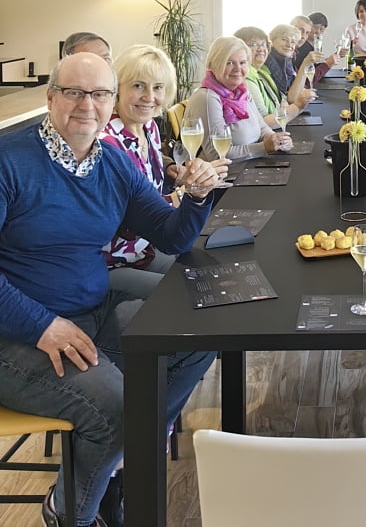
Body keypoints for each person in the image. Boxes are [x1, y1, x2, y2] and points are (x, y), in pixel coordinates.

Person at [0, 52, 218, 527]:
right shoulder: (8, 160)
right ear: (50, 97)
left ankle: (119, 458)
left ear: (110, 100)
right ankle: (71, 513)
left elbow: (171, 236)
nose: (87, 105)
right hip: (17, 335)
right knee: (119, 409)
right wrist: (42, 325)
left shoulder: (112, 163)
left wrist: (197, 196)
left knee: (198, 333)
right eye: (74, 93)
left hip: (90, 312)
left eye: (99, 94)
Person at [101, 44, 229, 299]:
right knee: (190, 294)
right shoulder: (108, 143)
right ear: (118, 88)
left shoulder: (149, 128)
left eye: (158, 87)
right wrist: (185, 193)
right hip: (112, 260)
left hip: (145, 249)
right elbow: (126, 220)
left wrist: (184, 178)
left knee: (214, 274)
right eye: (138, 86)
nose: (149, 96)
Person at [185, 37, 292, 163]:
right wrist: (263, 147)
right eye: (229, 63)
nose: (237, 69)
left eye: (242, 63)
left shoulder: (241, 92)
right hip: (224, 173)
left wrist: (277, 140)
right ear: (213, 65)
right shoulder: (207, 97)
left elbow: (262, 127)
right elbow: (217, 155)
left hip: (249, 166)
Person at [233, 26, 313, 126]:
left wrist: (285, 106)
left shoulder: (262, 71)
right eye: (254, 44)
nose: (261, 49)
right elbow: (263, 122)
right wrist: (297, 107)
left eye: (264, 44)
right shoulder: (246, 80)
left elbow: (281, 98)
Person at [264, 23, 320, 100]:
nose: (289, 45)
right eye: (284, 39)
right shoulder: (269, 61)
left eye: (293, 42)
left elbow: (294, 86)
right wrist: (305, 64)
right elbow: (291, 99)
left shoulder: (287, 59)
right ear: (272, 41)